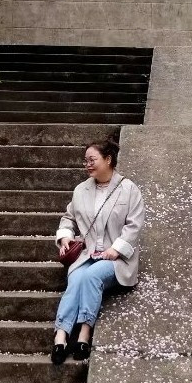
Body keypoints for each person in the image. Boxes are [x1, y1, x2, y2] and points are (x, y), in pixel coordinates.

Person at [52, 136, 145, 365]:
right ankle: (61, 336)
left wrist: (116, 249)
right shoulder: (81, 190)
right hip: (87, 255)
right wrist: (65, 237)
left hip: (116, 259)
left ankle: (84, 332)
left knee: (92, 276)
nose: (88, 165)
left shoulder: (128, 189)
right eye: (85, 161)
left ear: (108, 159)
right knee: (76, 278)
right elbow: (68, 218)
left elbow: (134, 225)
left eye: (92, 160)